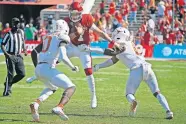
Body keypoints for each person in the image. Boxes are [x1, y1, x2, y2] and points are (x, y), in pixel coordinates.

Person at [27, 1, 122, 109]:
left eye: (76, 14)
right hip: (71, 46)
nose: (74, 16)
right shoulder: (67, 22)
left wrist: (113, 42)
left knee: (89, 71)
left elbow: (99, 32)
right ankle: (37, 74)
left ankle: (93, 96)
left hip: (83, 48)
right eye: (72, 13)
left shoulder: (87, 18)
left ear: (81, 13)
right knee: (54, 59)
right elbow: (67, 37)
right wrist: (77, 32)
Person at [93, 27, 174, 119]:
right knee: (157, 92)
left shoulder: (120, 44)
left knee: (129, 94)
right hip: (147, 66)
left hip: (136, 69)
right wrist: (99, 66)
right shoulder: (130, 43)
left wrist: (95, 58)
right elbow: (114, 59)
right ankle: (168, 111)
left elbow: (111, 57)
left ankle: (133, 101)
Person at [29, 20, 79, 122]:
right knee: (71, 87)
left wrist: (37, 68)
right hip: (48, 68)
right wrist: (72, 67)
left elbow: (34, 53)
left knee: (52, 87)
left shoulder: (48, 36)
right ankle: (59, 107)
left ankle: (36, 103)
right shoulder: (63, 37)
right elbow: (63, 57)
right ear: (65, 28)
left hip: (39, 68)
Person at [0, 17, 27, 96]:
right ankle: (6, 92)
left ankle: (8, 84)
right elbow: (2, 44)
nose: (17, 24)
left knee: (22, 74)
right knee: (10, 74)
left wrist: (24, 49)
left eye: (18, 23)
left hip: (19, 56)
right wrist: (6, 54)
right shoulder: (9, 34)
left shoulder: (21, 32)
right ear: (12, 24)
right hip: (10, 55)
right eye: (15, 23)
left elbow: (23, 42)